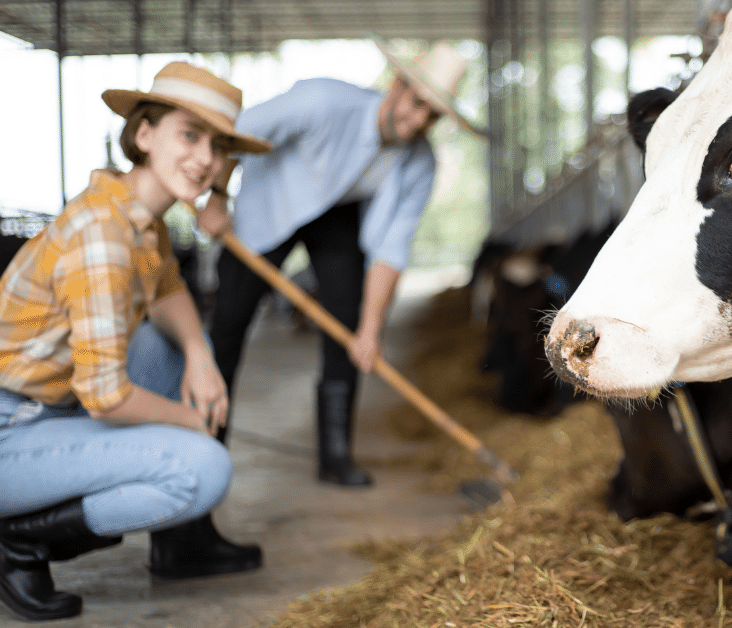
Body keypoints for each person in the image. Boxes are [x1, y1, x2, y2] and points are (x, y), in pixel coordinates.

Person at [0, 62, 272, 621]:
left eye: (218, 146)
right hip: (9, 428)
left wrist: (200, 357)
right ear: (144, 134)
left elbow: (167, 286)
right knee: (204, 468)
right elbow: (105, 396)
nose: (205, 159)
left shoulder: (140, 217)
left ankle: (180, 544)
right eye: (190, 135)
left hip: (41, 412)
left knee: (167, 343)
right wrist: (189, 421)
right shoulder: (103, 233)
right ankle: (16, 541)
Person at [197, 38, 484, 490]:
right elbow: (234, 132)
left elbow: (392, 249)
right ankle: (206, 449)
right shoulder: (322, 102)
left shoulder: (420, 163)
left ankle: (335, 455)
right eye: (416, 103)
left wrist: (370, 333)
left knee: (348, 324)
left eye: (432, 114)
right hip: (269, 203)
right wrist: (216, 197)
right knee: (229, 325)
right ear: (397, 85)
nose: (417, 120)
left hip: (337, 216)